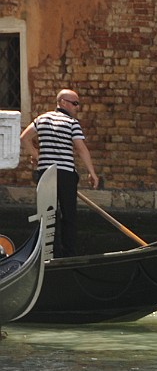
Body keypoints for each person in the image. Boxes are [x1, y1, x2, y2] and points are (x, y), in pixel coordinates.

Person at [20, 88, 99, 257]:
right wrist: (92, 172)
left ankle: (50, 253)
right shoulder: (72, 123)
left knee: (48, 214)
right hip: (65, 174)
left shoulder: (41, 119)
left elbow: (24, 138)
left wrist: (37, 156)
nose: (77, 107)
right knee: (68, 214)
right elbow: (80, 148)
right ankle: (68, 254)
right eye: (75, 103)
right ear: (63, 102)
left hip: (46, 173)